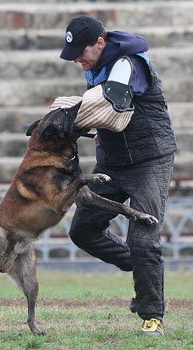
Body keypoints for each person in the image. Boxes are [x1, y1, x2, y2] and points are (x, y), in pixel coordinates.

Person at [57, 15, 177, 336]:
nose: (78, 61)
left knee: (142, 237)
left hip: (149, 160)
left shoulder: (129, 63)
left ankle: (153, 316)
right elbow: (101, 112)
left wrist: (76, 115)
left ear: (100, 43)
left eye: (81, 52)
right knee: (83, 229)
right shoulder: (94, 65)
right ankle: (139, 270)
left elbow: (115, 99)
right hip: (112, 163)